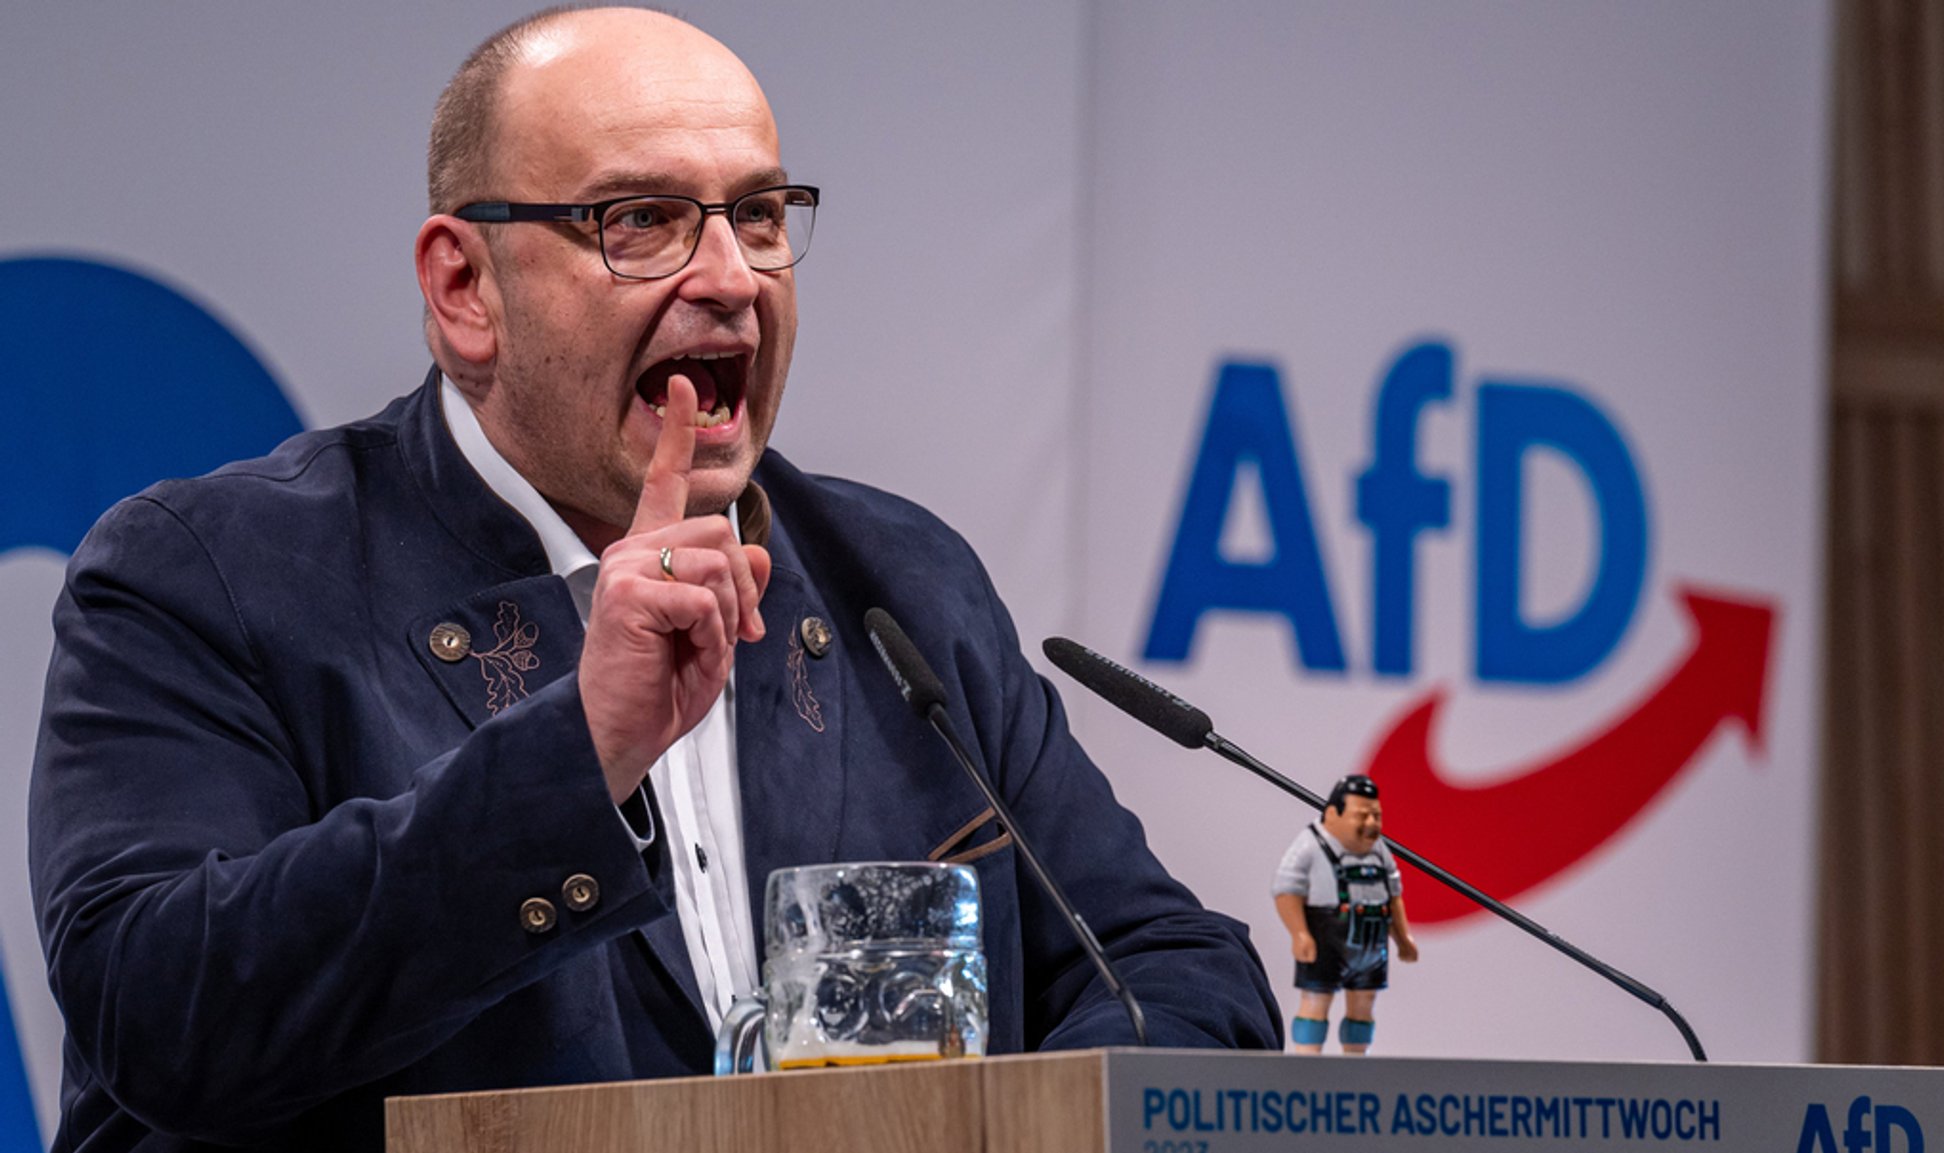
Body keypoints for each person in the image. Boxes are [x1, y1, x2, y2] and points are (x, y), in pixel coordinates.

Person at [28, 9, 1279, 1150]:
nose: (729, 276)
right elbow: (156, 1008)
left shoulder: (895, 583)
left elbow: (1174, 970)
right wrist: (579, 752)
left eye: (760, 214)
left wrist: (1006, 1128)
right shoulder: (217, 576)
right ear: (466, 289)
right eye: (638, 221)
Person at [1271, 775, 1419, 1054]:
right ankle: (1307, 1067)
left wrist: (1402, 937)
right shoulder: (1310, 846)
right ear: (1332, 814)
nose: (1371, 824)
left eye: (1376, 816)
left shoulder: (1379, 850)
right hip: (1327, 937)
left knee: (1364, 1004)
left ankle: (1354, 1067)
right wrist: (1299, 933)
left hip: (1372, 940)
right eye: (1362, 816)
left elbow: (1393, 896)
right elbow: (1287, 891)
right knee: (1317, 1001)